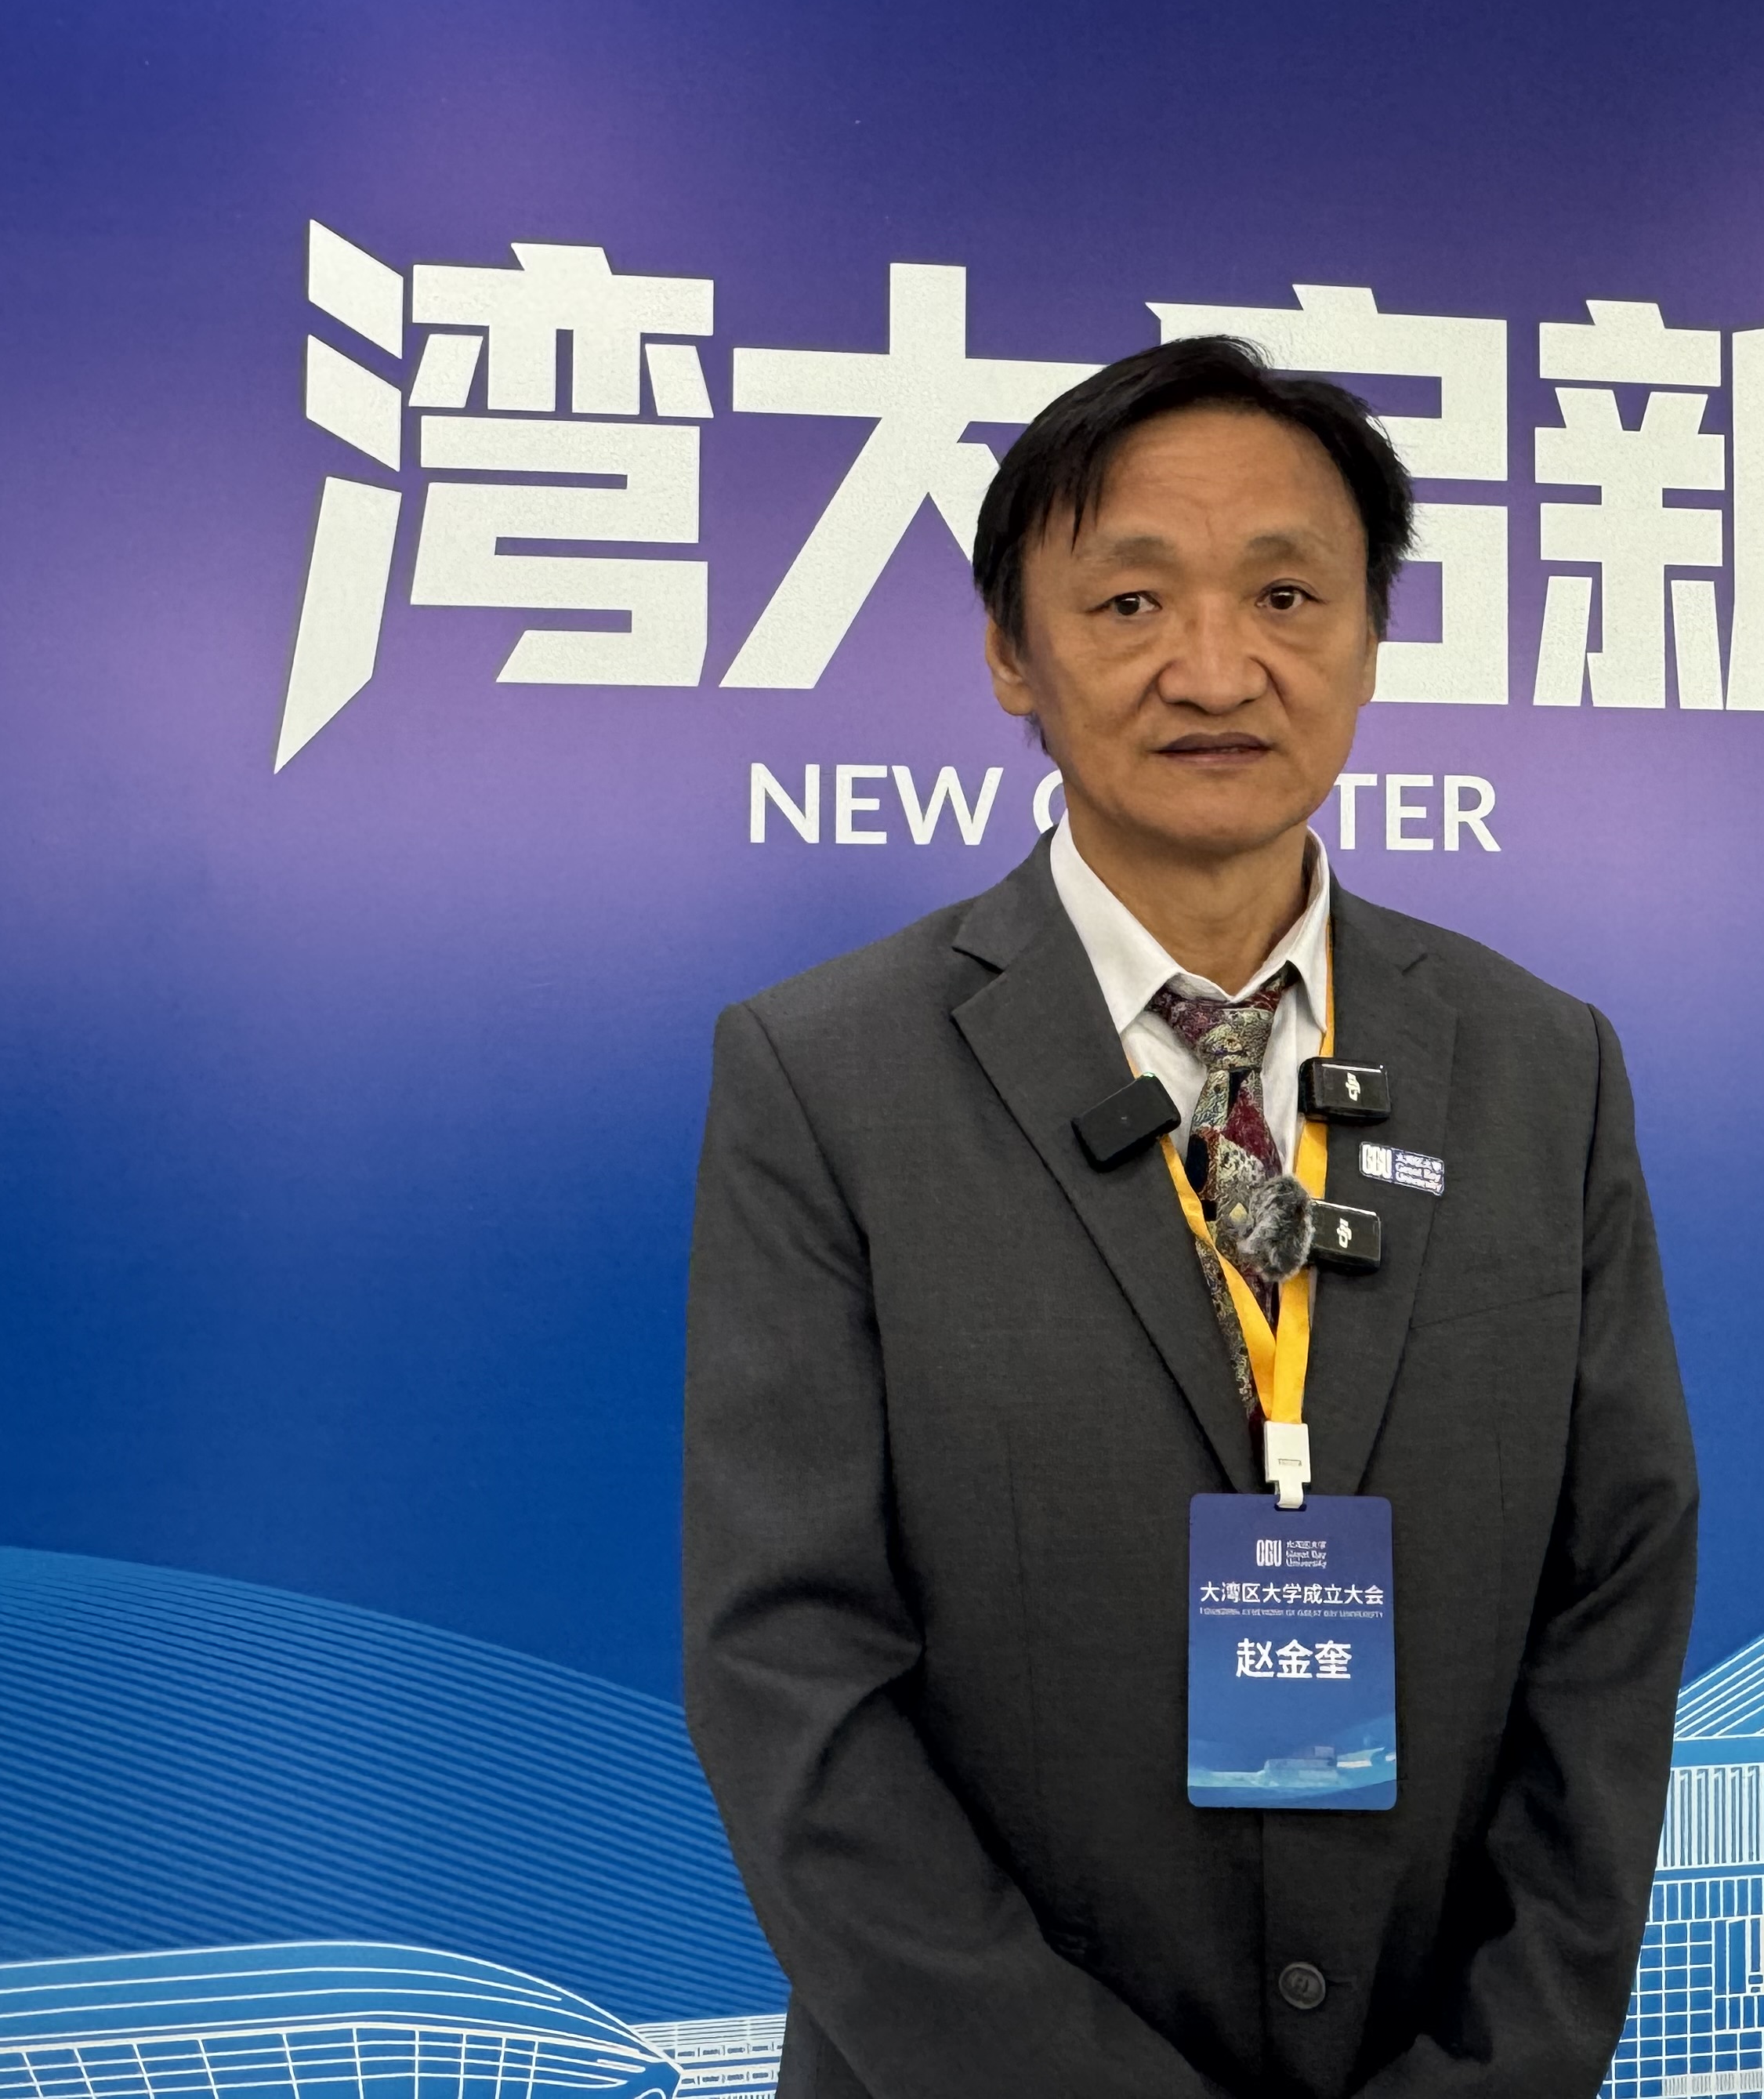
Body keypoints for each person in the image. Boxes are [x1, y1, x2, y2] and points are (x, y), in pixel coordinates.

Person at [683, 336, 1697, 2099]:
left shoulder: (1544, 1066)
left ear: (1370, 639)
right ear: (1013, 653)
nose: (1216, 668)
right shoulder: (827, 1075)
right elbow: (790, 1670)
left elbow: (1612, 1606)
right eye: (1130, 601)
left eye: (1287, 595)